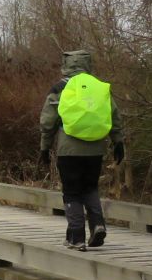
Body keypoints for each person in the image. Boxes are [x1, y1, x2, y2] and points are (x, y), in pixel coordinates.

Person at [38, 48, 125, 250]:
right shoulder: (99, 87)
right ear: (88, 64)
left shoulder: (59, 88)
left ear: (66, 65)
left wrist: (44, 147)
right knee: (90, 187)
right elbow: (114, 115)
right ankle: (98, 225)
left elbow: (48, 121)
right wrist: (118, 142)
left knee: (72, 191)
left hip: (69, 150)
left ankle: (76, 237)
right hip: (96, 148)